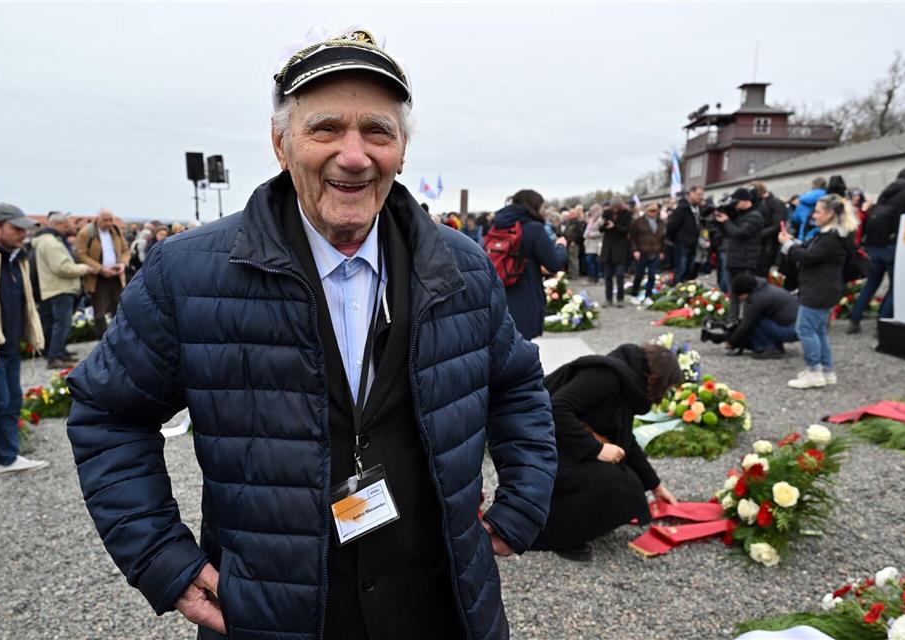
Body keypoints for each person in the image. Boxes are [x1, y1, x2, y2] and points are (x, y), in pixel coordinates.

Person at [66, 26, 557, 640]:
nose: (354, 155)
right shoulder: (188, 273)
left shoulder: (460, 266)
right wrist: (162, 556)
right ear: (280, 143)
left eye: (377, 131)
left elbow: (515, 383)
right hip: (278, 616)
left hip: (441, 608)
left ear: (401, 148)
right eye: (325, 128)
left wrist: (524, 500)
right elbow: (108, 414)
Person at [533, 343, 681, 561]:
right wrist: (596, 449)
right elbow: (557, 408)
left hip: (558, 443)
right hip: (534, 448)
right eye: (666, 388)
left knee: (627, 479)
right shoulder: (606, 376)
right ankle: (555, 534)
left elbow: (626, 440)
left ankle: (572, 522)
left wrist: (656, 486)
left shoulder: (626, 382)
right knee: (615, 483)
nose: (664, 394)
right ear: (654, 378)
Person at [0, 204, 48, 474]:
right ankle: (6, 456)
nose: (23, 234)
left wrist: (32, 334)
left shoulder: (18, 256)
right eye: (16, 228)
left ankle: (7, 458)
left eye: (25, 228)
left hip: (10, 343)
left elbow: (24, 301)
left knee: (12, 401)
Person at [778, 194, 858, 389]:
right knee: (819, 331)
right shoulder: (833, 234)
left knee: (805, 329)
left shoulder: (831, 238)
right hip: (825, 290)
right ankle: (826, 370)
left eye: (818, 211)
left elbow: (808, 257)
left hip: (819, 291)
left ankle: (814, 372)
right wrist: (792, 241)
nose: (814, 215)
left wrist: (787, 245)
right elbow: (809, 249)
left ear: (830, 214)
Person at [847, 167, 905, 333]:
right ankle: (883, 325)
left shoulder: (885, 194)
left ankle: (854, 319)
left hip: (874, 247)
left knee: (871, 284)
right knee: (895, 287)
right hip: (893, 247)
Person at [493, 189, 567, 339]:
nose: (544, 211)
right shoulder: (533, 228)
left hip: (498, 295)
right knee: (523, 349)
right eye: (543, 207)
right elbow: (554, 263)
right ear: (534, 206)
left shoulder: (497, 225)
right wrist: (561, 247)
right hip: (525, 296)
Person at [32, 211, 93, 368]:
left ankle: (58, 352)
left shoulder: (48, 241)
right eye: (66, 225)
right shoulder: (52, 243)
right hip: (60, 288)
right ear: (58, 225)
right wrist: (83, 268)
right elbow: (61, 267)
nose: (68, 228)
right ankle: (55, 357)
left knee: (57, 323)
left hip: (55, 287)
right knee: (62, 324)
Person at [74, 208, 131, 338]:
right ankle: (102, 341)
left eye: (111, 220)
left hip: (117, 276)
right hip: (98, 278)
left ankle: (120, 338)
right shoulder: (86, 233)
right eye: (105, 220)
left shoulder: (116, 231)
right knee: (99, 312)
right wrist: (100, 269)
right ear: (98, 219)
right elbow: (80, 255)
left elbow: (125, 250)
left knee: (119, 309)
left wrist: (123, 263)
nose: (109, 223)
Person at [713, 188, 764, 324]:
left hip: (746, 262)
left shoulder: (755, 216)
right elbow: (728, 233)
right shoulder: (738, 215)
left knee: (747, 296)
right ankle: (732, 322)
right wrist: (720, 222)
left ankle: (748, 323)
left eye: (737, 201)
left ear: (746, 201)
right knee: (733, 295)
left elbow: (739, 233)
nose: (734, 204)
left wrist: (726, 221)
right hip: (734, 260)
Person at [725, 273, 798, 359]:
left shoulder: (757, 299)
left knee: (756, 321)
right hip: (797, 327)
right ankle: (776, 346)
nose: (740, 299)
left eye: (740, 295)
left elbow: (746, 324)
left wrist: (731, 342)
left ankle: (768, 348)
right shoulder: (764, 288)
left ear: (745, 291)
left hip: (791, 330)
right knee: (761, 318)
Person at [629, 202, 666, 303]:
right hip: (642, 252)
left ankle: (648, 295)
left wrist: (662, 251)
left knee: (652, 275)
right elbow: (632, 238)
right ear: (646, 211)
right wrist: (635, 250)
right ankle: (634, 294)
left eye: (656, 211)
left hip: (655, 252)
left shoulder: (660, 222)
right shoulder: (638, 222)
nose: (654, 213)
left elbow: (663, 238)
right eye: (651, 211)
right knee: (639, 275)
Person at [666, 185, 702, 283]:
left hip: (693, 244)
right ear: (691, 194)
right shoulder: (682, 208)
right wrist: (675, 240)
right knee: (681, 269)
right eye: (699, 194)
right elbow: (672, 226)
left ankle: (684, 290)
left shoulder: (697, 208)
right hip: (683, 244)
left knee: (689, 270)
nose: (701, 197)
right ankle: (676, 291)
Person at [600, 197, 631, 307]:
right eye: (613, 208)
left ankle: (620, 298)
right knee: (608, 276)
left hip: (620, 249)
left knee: (620, 275)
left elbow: (627, 229)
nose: (615, 210)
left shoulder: (626, 214)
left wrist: (615, 226)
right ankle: (608, 298)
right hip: (608, 249)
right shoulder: (606, 213)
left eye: (616, 208)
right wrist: (604, 225)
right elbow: (601, 229)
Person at [753, 182, 788, 277]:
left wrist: (757, 234)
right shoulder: (759, 203)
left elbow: (778, 226)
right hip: (759, 245)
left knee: (762, 273)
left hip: (769, 246)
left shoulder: (776, 203)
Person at [790, 177, 827, 242]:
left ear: (813, 186)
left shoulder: (803, 200)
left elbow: (795, 219)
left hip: (805, 236)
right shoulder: (830, 197)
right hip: (825, 235)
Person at [583, 205, 603, 283]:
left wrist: (592, 234)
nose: (592, 213)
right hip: (589, 244)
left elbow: (602, 232)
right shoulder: (591, 220)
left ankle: (595, 277)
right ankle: (591, 277)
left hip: (596, 243)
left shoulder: (600, 220)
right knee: (590, 260)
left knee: (592, 260)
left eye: (593, 211)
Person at [563, 207, 584, 279]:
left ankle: (575, 275)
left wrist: (574, 241)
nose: (569, 215)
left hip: (573, 244)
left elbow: (580, 234)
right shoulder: (569, 222)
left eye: (570, 213)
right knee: (569, 259)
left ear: (574, 214)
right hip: (567, 243)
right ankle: (570, 273)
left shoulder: (577, 223)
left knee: (573, 259)